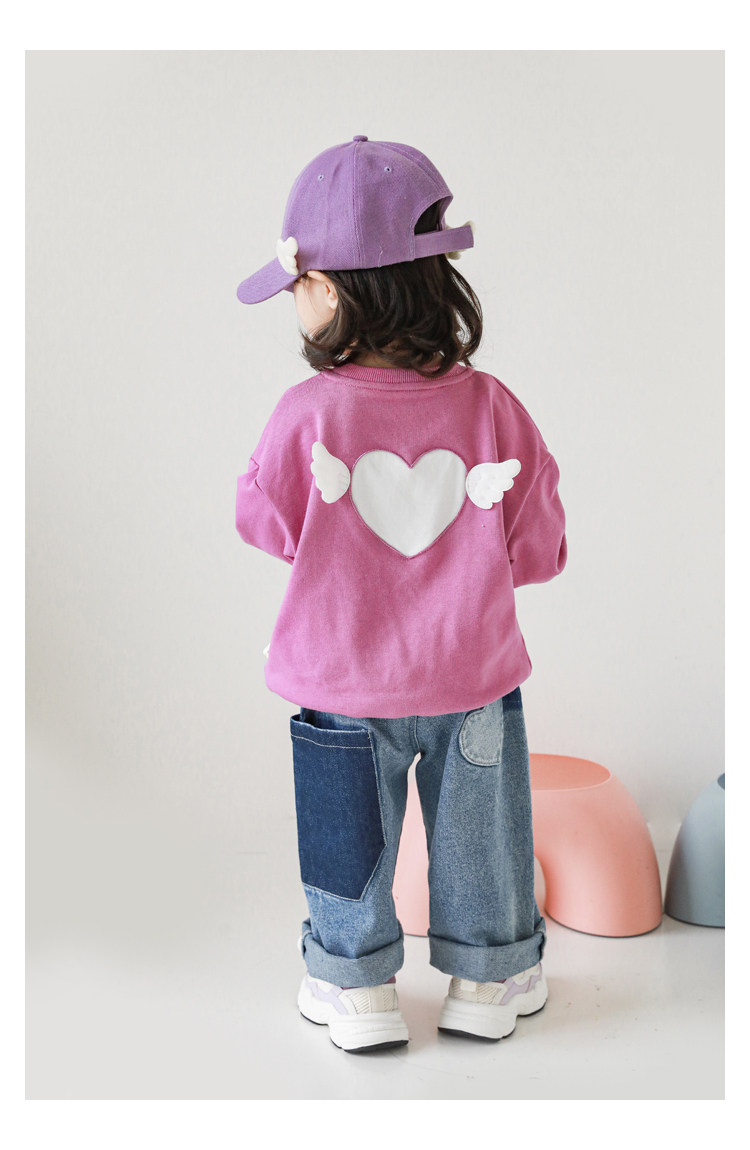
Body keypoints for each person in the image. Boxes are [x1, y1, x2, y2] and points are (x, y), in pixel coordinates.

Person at [235, 136, 567, 1053]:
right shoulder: (492, 407)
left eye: (296, 286)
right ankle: (490, 978)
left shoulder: (307, 414)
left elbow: (262, 522)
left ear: (328, 289)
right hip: (472, 679)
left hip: (342, 683)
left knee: (347, 838)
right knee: (482, 837)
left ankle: (355, 987)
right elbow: (538, 543)